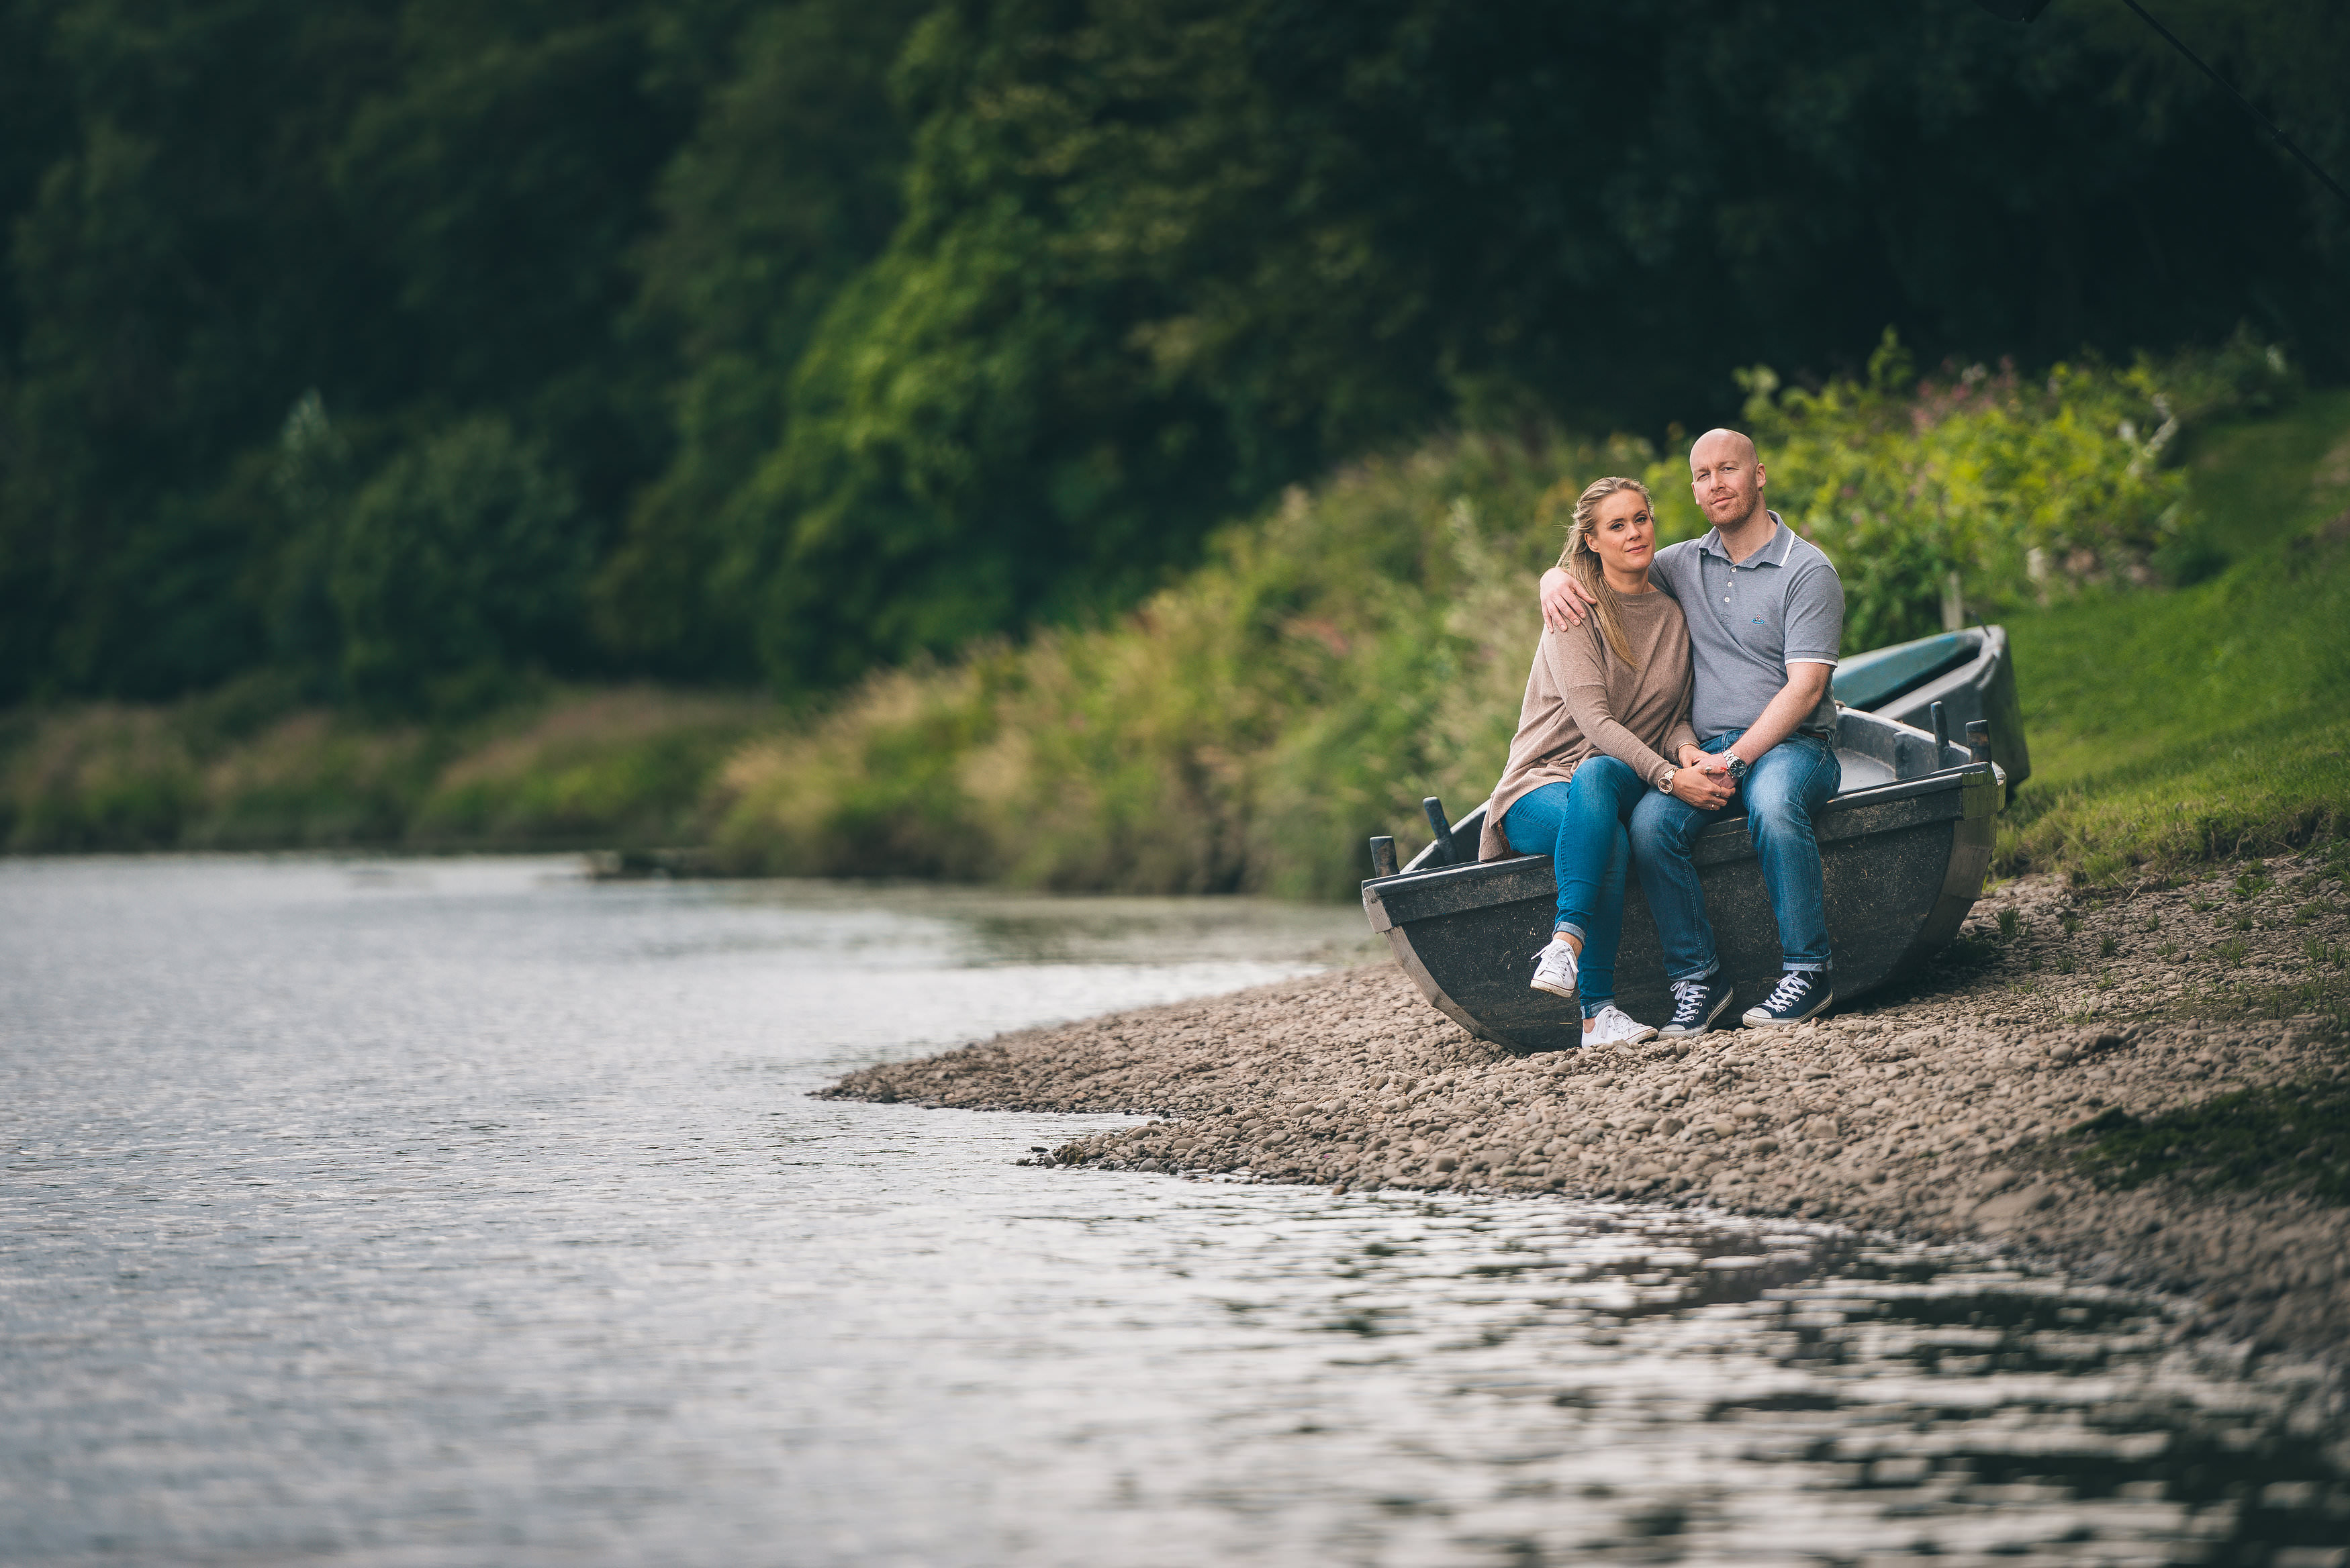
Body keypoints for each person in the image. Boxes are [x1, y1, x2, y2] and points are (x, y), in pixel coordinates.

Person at [1539, 429, 1844, 1033]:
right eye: (1702, 476)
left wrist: (1732, 761)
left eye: (1728, 469)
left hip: (1795, 746)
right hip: (1705, 748)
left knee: (1774, 802)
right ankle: (1699, 981)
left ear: (1758, 475)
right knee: (1652, 827)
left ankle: (1809, 971)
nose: (1716, 484)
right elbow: (1605, 557)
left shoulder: (1807, 570)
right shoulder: (1681, 564)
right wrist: (1551, 578)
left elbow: (1806, 689)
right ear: (1696, 493)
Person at [1479, 476, 1735, 1046]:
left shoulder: (1671, 616)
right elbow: (1595, 723)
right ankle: (1593, 1004)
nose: (1634, 533)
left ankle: (1569, 957)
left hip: (1612, 773)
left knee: (1598, 777)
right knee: (1611, 834)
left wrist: (1689, 753)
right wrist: (1670, 777)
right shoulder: (1574, 606)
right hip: (1539, 783)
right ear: (1591, 541)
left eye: (1641, 518)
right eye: (1616, 525)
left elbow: (1671, 716)